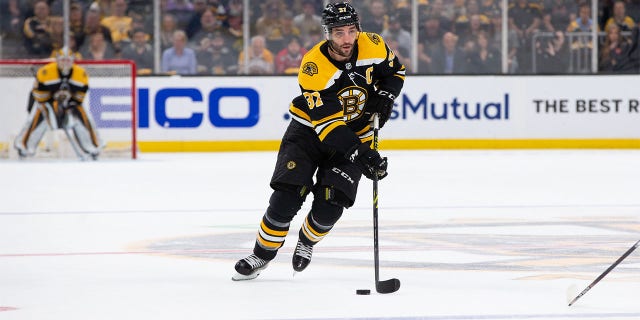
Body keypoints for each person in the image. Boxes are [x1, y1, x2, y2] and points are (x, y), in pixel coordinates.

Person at [232, 2, 405, 281]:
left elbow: (395, 73)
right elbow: (329, 126)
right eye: (339, 33)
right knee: (287, 198)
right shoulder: (314, 67)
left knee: (330, 207)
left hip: (356, 133)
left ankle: (307, 241)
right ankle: (261, 256)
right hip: (309, 134)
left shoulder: (374, 44)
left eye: (351, 30)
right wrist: (362, 154)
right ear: (327, 33)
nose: (347, 39)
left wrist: (385, 96)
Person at [14, 47, 103, 160]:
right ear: (57, 60)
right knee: (41, 113)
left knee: (82, 113)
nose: (65, 63)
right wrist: (54, 97)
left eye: (68, 60)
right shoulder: (46, 72)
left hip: (70, 104)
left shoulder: (81, 74)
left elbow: (80, 98)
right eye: (62, 60)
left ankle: (92, 148)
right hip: (47, 102)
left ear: (72, 61)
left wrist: (69, 99)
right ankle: (25, 148)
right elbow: (38, 96)